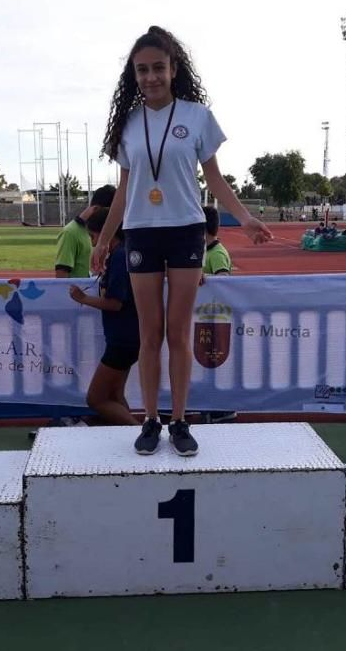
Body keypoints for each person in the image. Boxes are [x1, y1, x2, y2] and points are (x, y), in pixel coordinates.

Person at [93, 25, 272, 457]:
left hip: (186, 230)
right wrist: (103, 242)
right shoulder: (129, 124)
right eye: (142, 70)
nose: (150, 76)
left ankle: (179, 420)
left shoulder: (196, 117)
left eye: (158, 67)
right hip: (140, 232)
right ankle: (151, 420)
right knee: (148, 334)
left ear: (174, 69)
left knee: (178, 334)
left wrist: (244, 218)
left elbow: (215, 180)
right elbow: (123, 188)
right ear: (132, 76)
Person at [68, 208, 141, 427]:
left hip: (123, 339)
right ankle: (138, 435)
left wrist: (82, 298)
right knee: (115, 395)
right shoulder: (122, 254)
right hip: (127, 336)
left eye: (93, 236)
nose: (92, 243)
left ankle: (141, 431)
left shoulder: (120, 256)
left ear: (106, 233)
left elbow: (114, 303)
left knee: (96, 398)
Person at [200, 206, 237, 424]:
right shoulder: (207, 252)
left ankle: (221, 408)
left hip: (216, 321)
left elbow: (224, 284)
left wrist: (207, 280)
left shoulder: (217, 254)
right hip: (204, 319)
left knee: (216, 364)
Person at [55, 185, 116, 279]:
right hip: (78, 292)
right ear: (97, 209)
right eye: (108, 215)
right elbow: (61, 276)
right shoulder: (70, 233)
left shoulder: (102, 232)